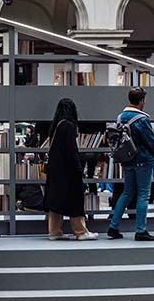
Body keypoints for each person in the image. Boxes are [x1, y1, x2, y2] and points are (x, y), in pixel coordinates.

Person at [106, 87, 154, 241]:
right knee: (143, 194)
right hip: (142, 160)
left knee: (127, 193)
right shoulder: (142, 119)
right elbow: (151, 141)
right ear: (142, 100)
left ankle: (113, 226)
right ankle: (141, 230)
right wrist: (153, 155)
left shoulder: (120, 117)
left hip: (126, 159)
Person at [44, 99, 97, 240]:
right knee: (75, 200)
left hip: (55, 171)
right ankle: (80, 231)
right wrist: (79, 168)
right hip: (68, 171)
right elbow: (72, 151)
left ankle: (54, 232)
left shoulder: (56, 126)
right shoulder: (68, 126)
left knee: (56, 202)